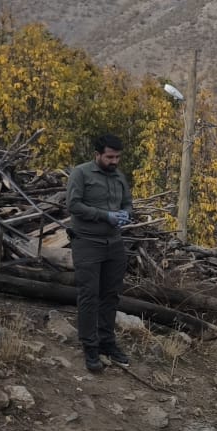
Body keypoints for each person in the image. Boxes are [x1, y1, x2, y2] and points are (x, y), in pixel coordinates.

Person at [63, 133, 133, 373]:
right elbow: (73, 205)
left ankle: (107, 342)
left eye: (117, 157)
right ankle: (90, 346)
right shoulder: (81, 173)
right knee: (89, 295)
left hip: (114, 243)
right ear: (97, 155)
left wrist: (125, 213)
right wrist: (105, 216)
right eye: (110, 157)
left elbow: (127, 202)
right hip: (87, 242)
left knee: (111, 295)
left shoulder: (119, 177)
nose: (114, 161)